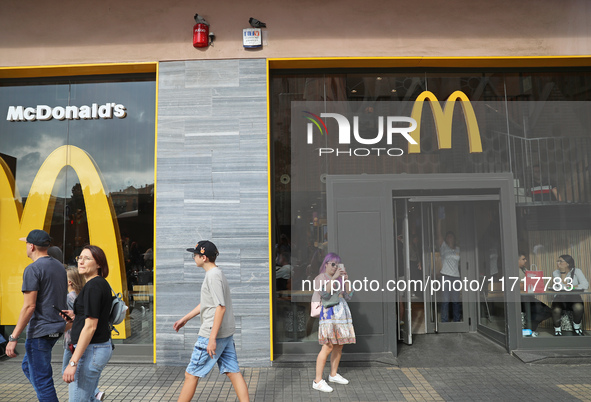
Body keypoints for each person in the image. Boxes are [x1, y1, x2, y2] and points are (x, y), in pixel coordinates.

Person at [173, 240, 249, 402]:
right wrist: (185, 319)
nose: (193, 257)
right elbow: (208, 303)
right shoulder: (217, 273)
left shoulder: (213, 276)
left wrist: (212, 339)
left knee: (191, 374)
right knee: (232, 371)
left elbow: (220, 307)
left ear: (204, 257)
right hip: (225, 333)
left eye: (195, 255)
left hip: (212, 334)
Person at [6, 229, 67, 402]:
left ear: (31, 246)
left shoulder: (33, 269)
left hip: (40, 331)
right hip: (56, 328)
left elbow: (29, 307)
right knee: (28, 366)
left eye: (26, 244)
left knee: (42, 381)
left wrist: (13, 337)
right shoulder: (59, 267)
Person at [62, 245, 114, 401]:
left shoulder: (93, 286)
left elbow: (90, 327)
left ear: (99, 264)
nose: (81, 262)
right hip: (95, 349)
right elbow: (93, 315)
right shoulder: (97, 284)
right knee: (90, 398)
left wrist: (73, 362)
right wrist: (76, 315)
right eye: (80, 258)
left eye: (87, 258)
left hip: (90, 350)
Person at [312, 253, 355, 393]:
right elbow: (325, 295)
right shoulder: (320, 278)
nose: (335, 267)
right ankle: (317, 381)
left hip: (341, 314)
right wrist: (334, 278)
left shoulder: (340, 279)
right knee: (328, 346)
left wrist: (346, 279)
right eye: (332, 264)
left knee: (339, 344)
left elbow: (349, 295)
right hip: (329, 315)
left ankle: (333, 374)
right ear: (325, 264)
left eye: (338, 264)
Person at [551, 254, 589, 336]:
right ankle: (557, 330)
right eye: (558, 261)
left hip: (574, 297)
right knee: (556, 309)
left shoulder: (577, 271)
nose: (558, 263)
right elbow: (562, 286)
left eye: (560, 261)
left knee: (578, 307)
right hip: (560, 297)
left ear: (568, 263)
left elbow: (585, 285)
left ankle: (577, 327)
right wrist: (563, 272)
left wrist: (573, 287)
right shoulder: (556, 273)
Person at [437, 207, 461, 322]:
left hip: (456, 277)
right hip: (445, 276)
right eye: (447, 236)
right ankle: (444, 321)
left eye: (451, 235)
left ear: (454, 238)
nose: (449, 237)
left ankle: (457, 320)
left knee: (456, 300)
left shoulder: (458, 249)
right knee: (446, 300)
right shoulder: (444, 248)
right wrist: (440, 219)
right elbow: (439, 233)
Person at [518, 254, 552, 336]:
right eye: (523, 259)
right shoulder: (513, 271)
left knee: (548, 311)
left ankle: (528, 330)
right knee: (539, 310)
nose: (525, 261)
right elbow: (518, 285)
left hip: (529, 297)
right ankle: (530, 331)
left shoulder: (524, 269)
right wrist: (531, 282)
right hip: (520, 299)